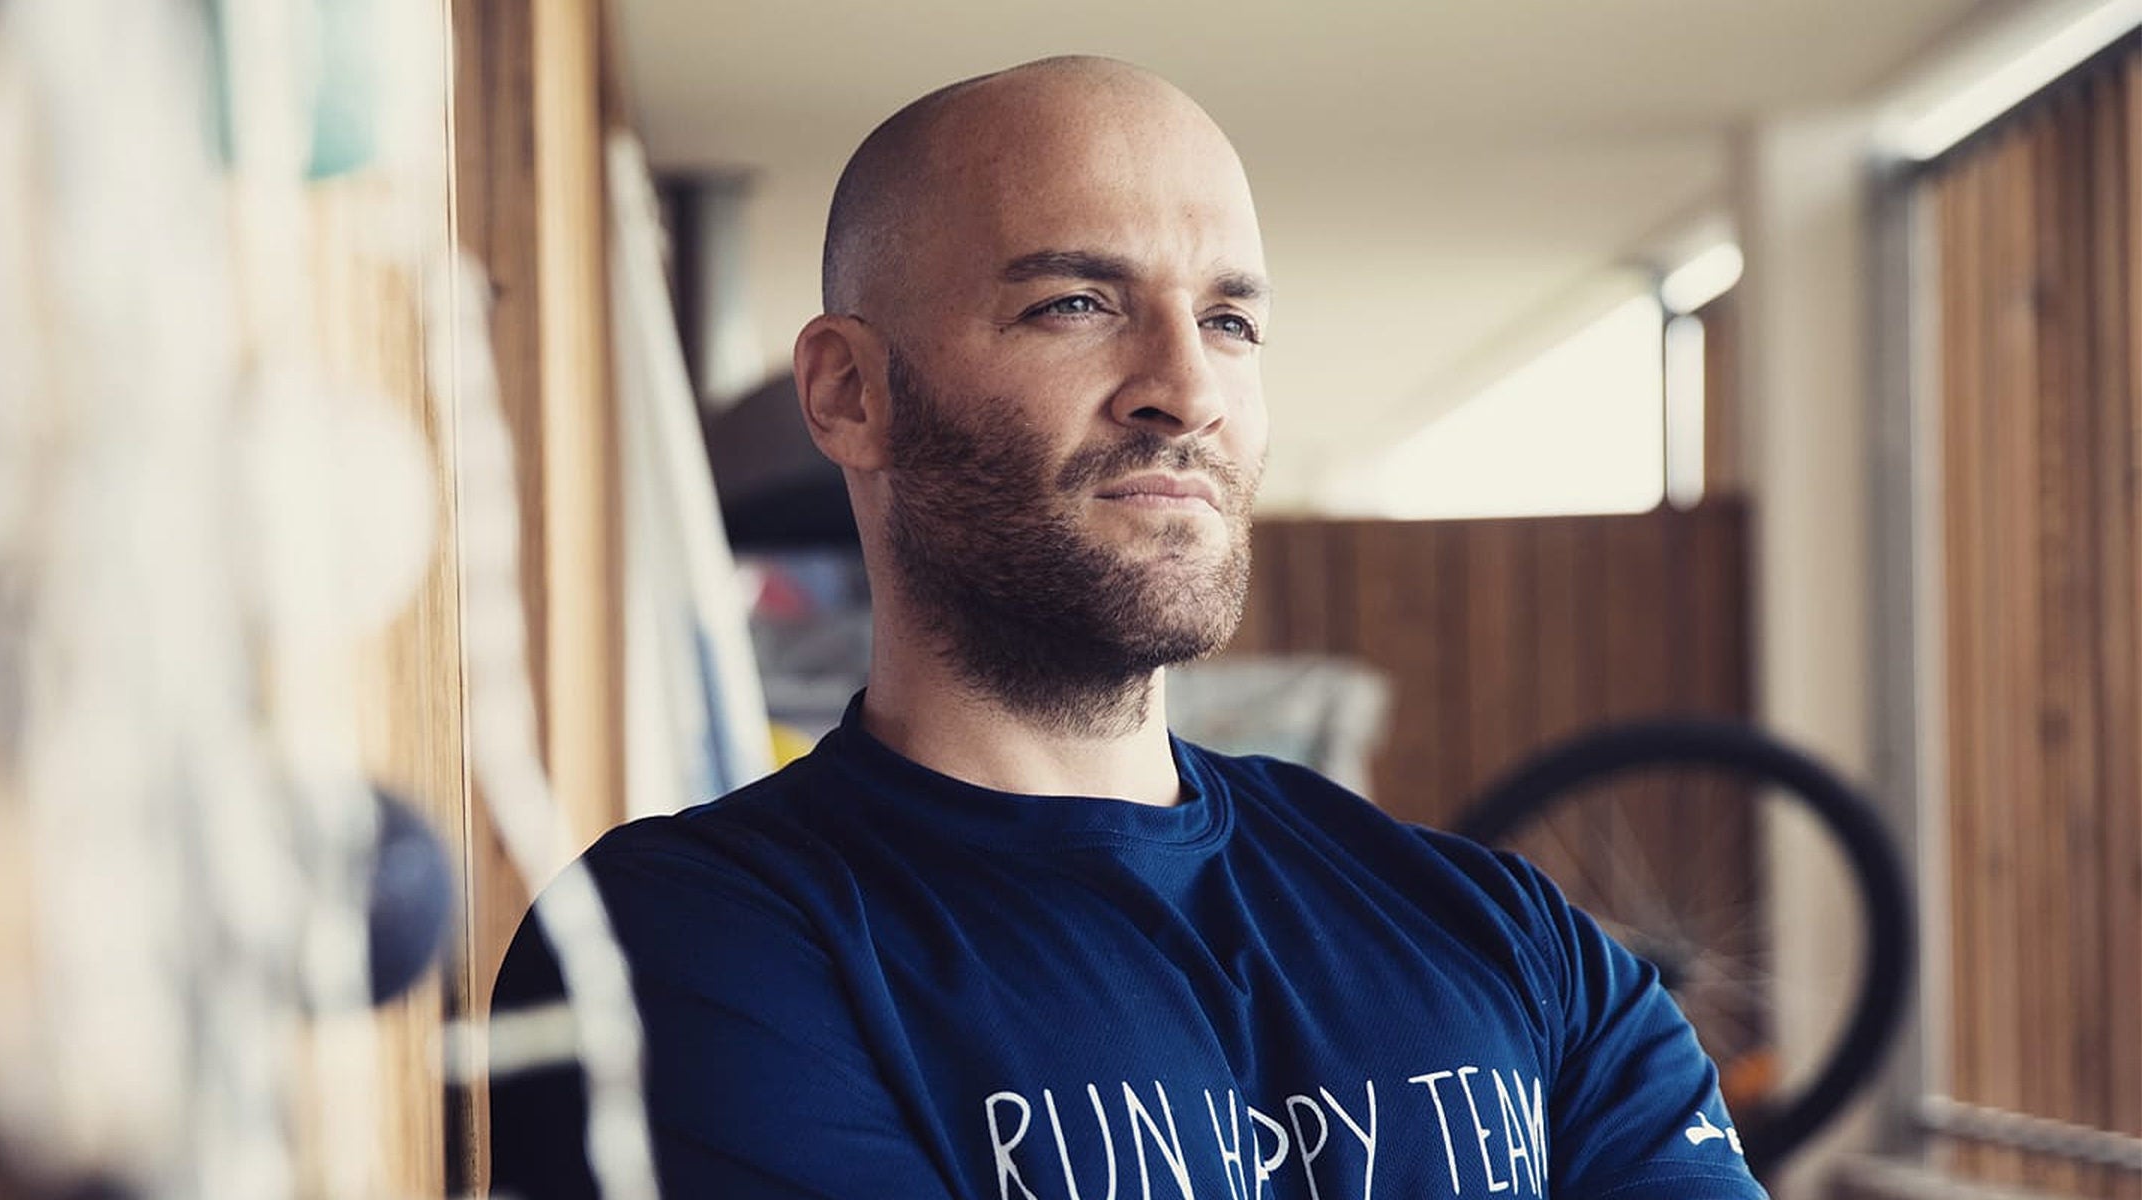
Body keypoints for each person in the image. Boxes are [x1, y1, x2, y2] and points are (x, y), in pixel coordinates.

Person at [490, 56, 1769, 1200]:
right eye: (1076, 304)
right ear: (848, 391)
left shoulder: (1508, 937)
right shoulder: (694, 950)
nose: (1186, 389)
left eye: (1229, 321)